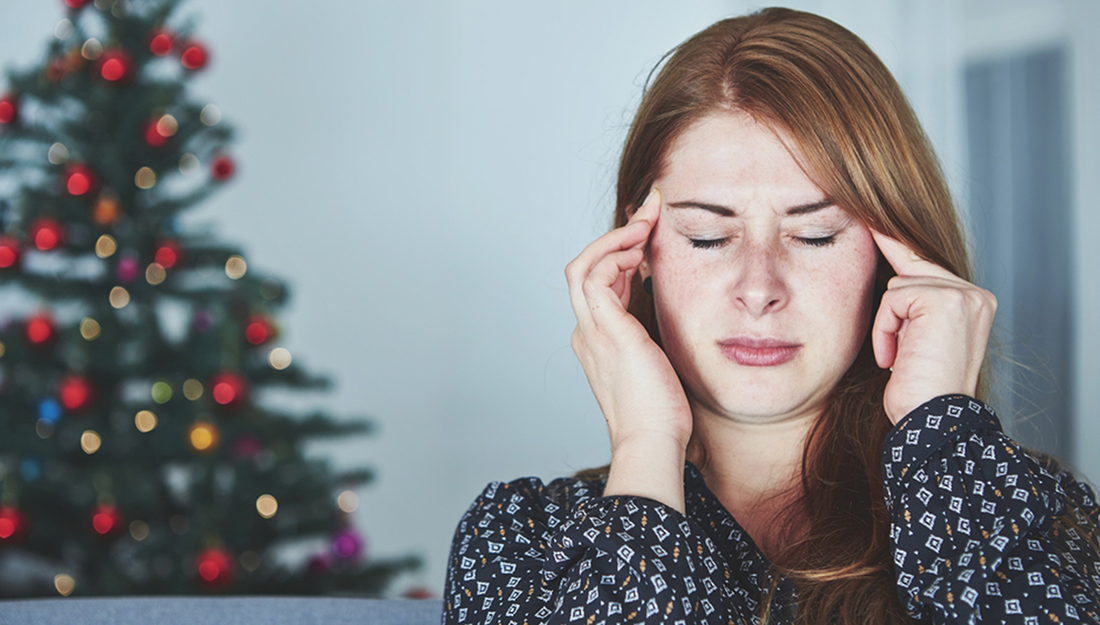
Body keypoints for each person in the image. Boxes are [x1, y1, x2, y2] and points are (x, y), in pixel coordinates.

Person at [441, 7, 1100, 624]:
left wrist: (942, 431)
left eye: (815, 236)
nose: (759, 289)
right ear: (637, 252)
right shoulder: (518, 535)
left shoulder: (1030, 509)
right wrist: (646, 445)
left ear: (893, 256)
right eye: (707, 235)